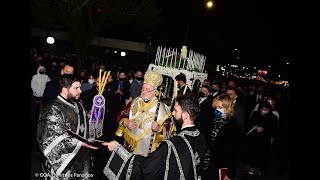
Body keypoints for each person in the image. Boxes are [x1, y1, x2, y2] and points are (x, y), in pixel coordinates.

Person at [103, 93, 206, 180]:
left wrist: (118, 149)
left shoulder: (172, 145)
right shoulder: (200, 138)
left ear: (185, 115)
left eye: (176, 110)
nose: (172, 113)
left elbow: (146, 168)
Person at [36, 74, 98, 179]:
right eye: (76, 88)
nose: (80, 91)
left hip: (82, 159)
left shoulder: (78, 103)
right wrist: (83, 143)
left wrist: (89, 117)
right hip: (65, 163)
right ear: (65, 89)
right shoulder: (52, 109)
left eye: (80, 87)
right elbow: (52, 138)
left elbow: (79, 123)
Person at [115, 70, 172, 157]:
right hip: (130, 145)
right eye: (143, 88)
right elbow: (121, 114)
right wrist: (126, 122)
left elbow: (170, 128)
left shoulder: (161, 108)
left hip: (149, 149)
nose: (144, 91)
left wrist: (159, 129)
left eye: (147, 90)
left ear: (155, 92)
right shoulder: (135, 101)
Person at [201, 93, 241, 180]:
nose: (216, 110)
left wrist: (230, 173)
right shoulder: (212, 120)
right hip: (207, 162)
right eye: (215, 108)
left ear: (228, 109)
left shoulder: (232, 127)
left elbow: (233, 152)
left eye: (220, 108)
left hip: (220, 164)